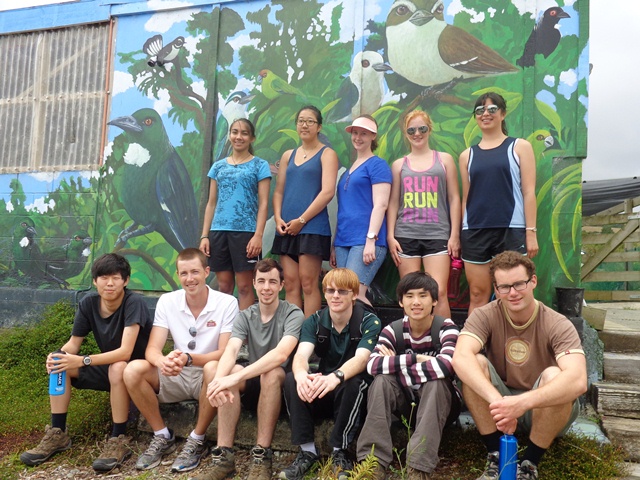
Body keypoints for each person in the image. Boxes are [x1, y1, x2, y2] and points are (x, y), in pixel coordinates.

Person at [452, 251, 587, 480]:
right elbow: (460, 358)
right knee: (475, 363)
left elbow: (578, 380)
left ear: (533, 281)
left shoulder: (557, 323)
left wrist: (521, 403)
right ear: (496, 290)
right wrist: (501, 405)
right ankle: (496, 455)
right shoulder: (485, 315)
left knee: (556, 375)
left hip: (542, 408)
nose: (512, 293)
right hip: (499, 409)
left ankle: (529, 464)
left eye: (519, 284)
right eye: (504, 287)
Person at [20, 253, 152, 472]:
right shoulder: (89, 303)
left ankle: (118, 437)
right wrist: (57, 356)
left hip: (137, 372)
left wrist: (83, 360)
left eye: (116, 278)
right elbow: (73, 344)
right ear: (95, 281)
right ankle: (58, 433)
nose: (109, 283)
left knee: (119, 366)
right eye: (104, 278)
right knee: (60, 363)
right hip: (109, 369)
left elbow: (125, 352)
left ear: (126, 281)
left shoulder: (133, 302)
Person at [123, 248, 238, 473]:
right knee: (132, 370)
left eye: (195, 272)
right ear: (177, 275)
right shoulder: (168, 301)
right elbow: (152, 350)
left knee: (213, 368)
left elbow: (225, 352)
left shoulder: (227, 302)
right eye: (184, 273)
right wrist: (162, 362)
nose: (189, 279)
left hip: (208, 374)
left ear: (206, 272)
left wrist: (189, 359)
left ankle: (197, 439)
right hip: (177, 372)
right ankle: (162, 435)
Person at [193, 259, 305, 480]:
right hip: (253, 381)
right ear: (253, 283)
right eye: (261, 281)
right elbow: (232, 349)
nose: (266, 287)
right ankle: (224, 457)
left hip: (282, 389)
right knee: (222, 370)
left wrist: (233, 378)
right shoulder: (245, 315)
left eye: (272, 282)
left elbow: (281, 355)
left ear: (281, 285)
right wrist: (220, 380)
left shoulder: (293, 313)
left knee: (270, 373)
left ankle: (261, 457)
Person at [357, 272, 462, 479]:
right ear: (400, 301)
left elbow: (446, 366)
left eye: (423, 296)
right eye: (409, 296)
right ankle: (372, 463)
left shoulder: (447, 328)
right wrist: (416, 358)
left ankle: (418, 468)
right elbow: (373, 365)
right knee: (382, 381)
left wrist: (396, 365)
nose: (416, 302)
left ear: (434, 301)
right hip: (407, 405)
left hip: (442, 405)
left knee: (436, 382)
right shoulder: (393, 330)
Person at [279, 268, 382, 480]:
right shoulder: (315, 321)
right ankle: (307, 451)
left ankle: (340, 452)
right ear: (324, 293)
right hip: (325, 386)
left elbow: (362, 359)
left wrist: (336, 376)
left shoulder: (369, 321)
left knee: (354, 382)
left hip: (353, 394)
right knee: (291, 379)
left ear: (354, 295)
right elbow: (301, 356)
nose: (335, 296)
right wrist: (301, 375)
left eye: (342, 291)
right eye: (330, 290)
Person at [459, 92, 539, 316]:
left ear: (503, 114)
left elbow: (529, 192)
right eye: (480, 110)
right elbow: (466, 197)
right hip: (475, 232)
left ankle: (517, 338)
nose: (485, 114)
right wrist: (458, 234)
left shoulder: (520, 147)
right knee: (477, 294)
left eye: (492, 109)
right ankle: (476, 338)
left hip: (511, 230)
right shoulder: (466, 156)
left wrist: (530, 232)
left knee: (514, 294)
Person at [387, 110, 461, 318]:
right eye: (411, 130)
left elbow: (454, 198)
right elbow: (393, 202)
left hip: (437, 234)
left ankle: (445, 335)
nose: (417, 133)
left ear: (429, 130)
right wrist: (390, 236)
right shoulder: (399, 165)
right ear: (406, 133)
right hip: (405, 235)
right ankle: (411, 336)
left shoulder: (444, 160)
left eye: (422, 128)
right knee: (410, 294)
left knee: (439, 292)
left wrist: (454, 235)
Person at [272, 105, 339, 316]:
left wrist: (301, 220)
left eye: (310, 121)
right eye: (301, 120)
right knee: (291, 283)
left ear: (319, 127)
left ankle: (310, 334)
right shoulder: (288, 155)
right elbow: (279, 191)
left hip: (313, 228)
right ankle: (293, 332)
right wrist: (278, 219)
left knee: (309, 283)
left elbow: (327, 192)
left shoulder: (327, 154)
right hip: (286, 228)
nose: (305, 125)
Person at [200, 118, 271, 310]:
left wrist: (258, 235)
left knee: (245, 287)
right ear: (229, 135)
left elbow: (264, 203)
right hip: (218, 232)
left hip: (246, 233)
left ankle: (243, 329)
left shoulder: (260, 165)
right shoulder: (218, 167)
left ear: (252, 138)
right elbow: (211, 203)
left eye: (244, 133)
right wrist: (205, 236)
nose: (239, 137)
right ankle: (225, 327)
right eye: (235, 132)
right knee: (223, 286)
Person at [331, 115, 392, 306]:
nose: (358, 137)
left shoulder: (378, 165)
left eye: (364, 133)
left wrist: (371, 240)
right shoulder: (349, 170)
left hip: (365, 240)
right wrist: (334, 245)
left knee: (354, 295)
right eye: (355, 133)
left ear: (373, 136)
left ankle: (368, 326)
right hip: (343, 242)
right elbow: (343, 210)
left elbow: (381, 204)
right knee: (342, 295)